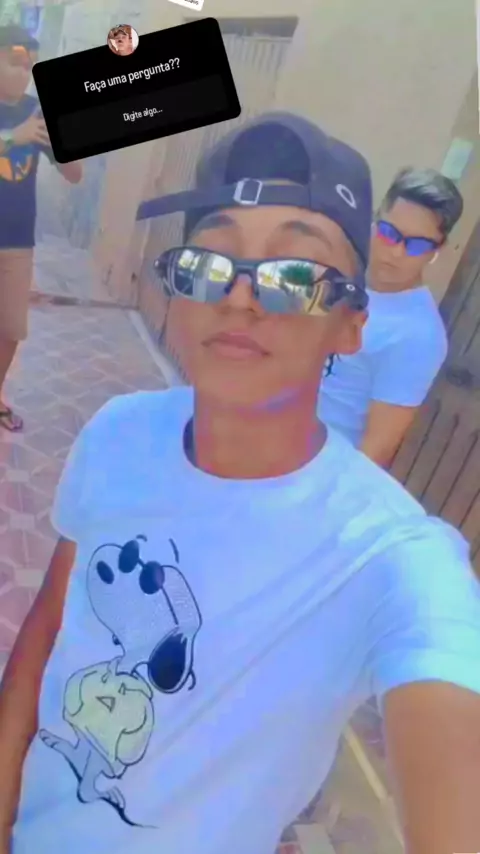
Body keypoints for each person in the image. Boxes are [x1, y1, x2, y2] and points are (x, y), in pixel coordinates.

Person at [2, 113, 480, 854]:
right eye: (209, 263)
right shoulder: (120, 431)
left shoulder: (390, 556)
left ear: (351, 325)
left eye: (295, 276)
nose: (240, 296)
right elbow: (47, 637)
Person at [320, 167, 463, 467]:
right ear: (374, 220)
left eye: (417, 244)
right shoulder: (341, 274)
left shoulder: (418, 335)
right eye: (389, 233)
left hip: (312, 471)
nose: (396, 252)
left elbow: (376, 450)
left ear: (436, 250)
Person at [0, 24, 82, 432]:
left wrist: (67, 140)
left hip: (17, 242)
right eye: (14, 61)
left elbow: (75, 175)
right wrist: (10, 139)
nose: (23, 71)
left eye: (29, 63)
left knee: (10, 328)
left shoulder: (38, 112)